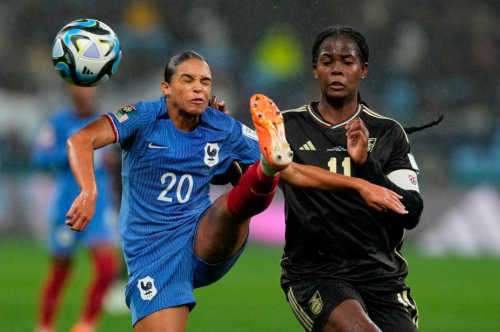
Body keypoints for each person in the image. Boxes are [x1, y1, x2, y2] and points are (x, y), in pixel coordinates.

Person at [64, 50, 407, 331]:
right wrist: (88, 191)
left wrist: (360, 183)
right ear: (165, 87)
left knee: (235, 202)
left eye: (205, 81)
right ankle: (266, 166)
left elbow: (298, 172)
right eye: (188, 80)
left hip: (203, 236)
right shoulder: (141, 116)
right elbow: (81, 139)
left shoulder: (221, 127)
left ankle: (266, 167)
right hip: (152, 255)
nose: (198, 88)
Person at [277, 26, 425, 332]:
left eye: (347, 61)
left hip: (381, 278)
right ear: (314, 69)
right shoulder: (287, 126)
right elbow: (238, 172)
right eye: (328, 61)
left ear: (364, 70)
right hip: (316, 273)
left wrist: (366, 164)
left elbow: (411, 213)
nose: (337, 70)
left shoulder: (387, 133)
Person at [32, 86, 120, 332]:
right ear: (70, 88)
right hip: (67, 206)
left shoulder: (106, 123)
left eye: (90, 85)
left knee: (107, 269)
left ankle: (85, 325)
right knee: (61, 270)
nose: (84, 91)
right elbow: (39, 158)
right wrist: (76, 150)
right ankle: (45, 326)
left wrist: (110, 161)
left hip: (99, 206)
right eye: (79, 85)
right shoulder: (58, 122)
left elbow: (114, 159)